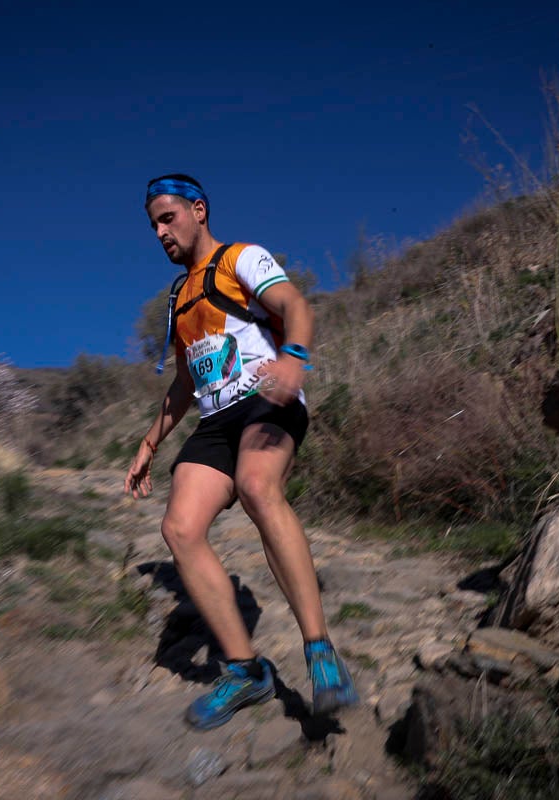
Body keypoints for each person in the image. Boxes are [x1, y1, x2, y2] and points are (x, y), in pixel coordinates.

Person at [125, 174, 357, 730]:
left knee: (257, 486)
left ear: (198, 210)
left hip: (269, 398)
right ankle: (245, 670)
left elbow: (294, 303)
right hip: (217, 419)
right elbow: (185, 382)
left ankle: (321, 652)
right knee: (179, 528)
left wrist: (295, 358)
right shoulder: (180, 298)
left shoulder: (240, 259)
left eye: (168, 218)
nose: (160, 232)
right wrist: (150, 441)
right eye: (153, 224)